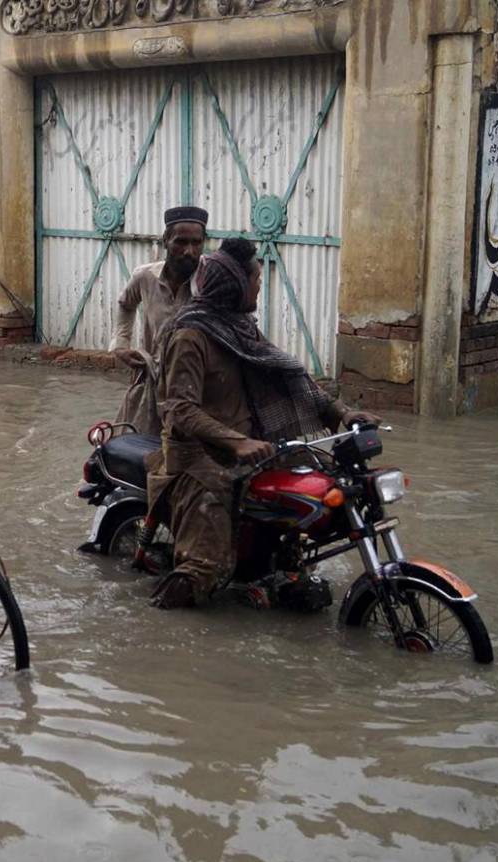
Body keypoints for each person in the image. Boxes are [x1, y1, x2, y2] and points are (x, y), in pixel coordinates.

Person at [147, 237, 380, 610]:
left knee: (314, 498)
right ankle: (161, 621)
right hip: (199, 460)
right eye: (255, 278)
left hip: (254, 452)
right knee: (205, 569)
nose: (259, 285)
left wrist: (342, 413)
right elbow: (179, 410)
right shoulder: (189, 335)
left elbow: (290, 379)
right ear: (235, 285)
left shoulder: (240, 328)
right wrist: (235, 442)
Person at [110, 206, 208, 433]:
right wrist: (120, 345)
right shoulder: (145, 277)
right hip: (151, 379)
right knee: (135, 445)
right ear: (165, 240)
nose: (189, 251)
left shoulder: (210, 280)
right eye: (181, 242)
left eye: (197, 243)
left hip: (195, 385)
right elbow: (125, 304)